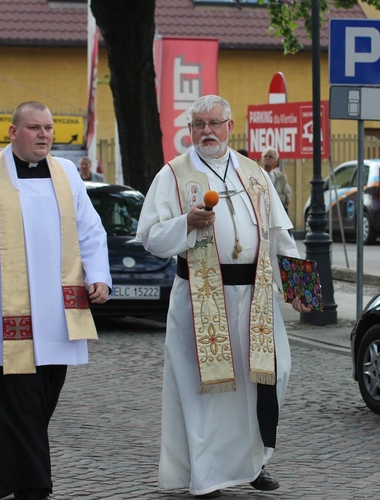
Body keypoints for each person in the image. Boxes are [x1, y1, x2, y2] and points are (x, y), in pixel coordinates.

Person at [137, 94, 311, 498]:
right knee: (208, 390)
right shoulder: (174, 174)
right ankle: (208, 475)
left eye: (214, 123)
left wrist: (299, 289)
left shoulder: (254, 172)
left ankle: (253, 462)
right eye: (199, 124)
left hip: (256, 298)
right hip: (200, 299)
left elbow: (281, 236)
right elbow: (149, 237)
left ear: (230, 127)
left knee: (273, 374)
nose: (207, 131)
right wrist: (187, 222)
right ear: (190, 130)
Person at [0, 101, 112, 500]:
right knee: (20, 408)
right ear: (13, 132)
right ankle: (34, 488)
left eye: (49, 128)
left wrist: (99, 275)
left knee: (38, 406)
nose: (44, 135)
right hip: (6, 316)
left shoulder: (67, 173)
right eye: (34, 127)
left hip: (57, 318)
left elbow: (90, 230)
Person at [261, 147, 291, 213]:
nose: (267, 158)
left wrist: (275, 199)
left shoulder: (281, 177)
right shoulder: (257, 174)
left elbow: (287, 195)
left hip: (277, 211)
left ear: (276, 160)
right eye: (265, 156)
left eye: (270, 156)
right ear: (262, 159)